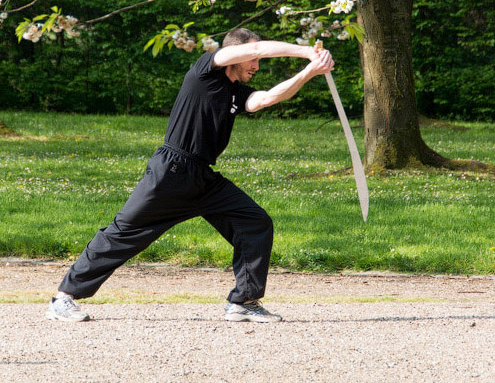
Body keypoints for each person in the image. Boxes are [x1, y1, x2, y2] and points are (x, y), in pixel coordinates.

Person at [47, 27, 335, 323]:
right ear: (234, 54)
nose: (256, 66)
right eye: (252, 60)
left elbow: (264, 99)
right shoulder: (205, 69)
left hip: (203, 179)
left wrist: (309, 72)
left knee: (254, 221)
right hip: (170, 173)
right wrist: (304, 51)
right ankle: (64, 298)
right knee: (124, 233)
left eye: (256, 61)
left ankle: (244, 301)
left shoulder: (236, 91)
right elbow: (254, 50)